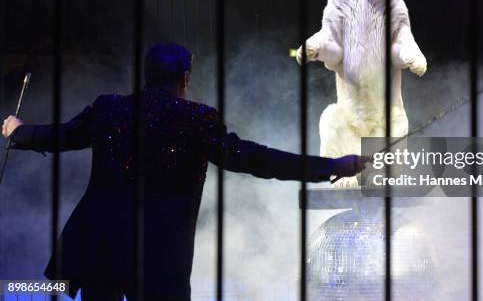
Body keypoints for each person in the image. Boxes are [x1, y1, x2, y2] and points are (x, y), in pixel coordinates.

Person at [1, 42, 365, 301]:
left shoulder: (108, 109)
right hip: (160, 259)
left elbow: (61, 135)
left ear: (146, 77)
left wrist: (18, 131)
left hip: (101, 251)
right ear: (185, 79)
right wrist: (328, 166)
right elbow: (256, 159)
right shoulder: (197, 120)